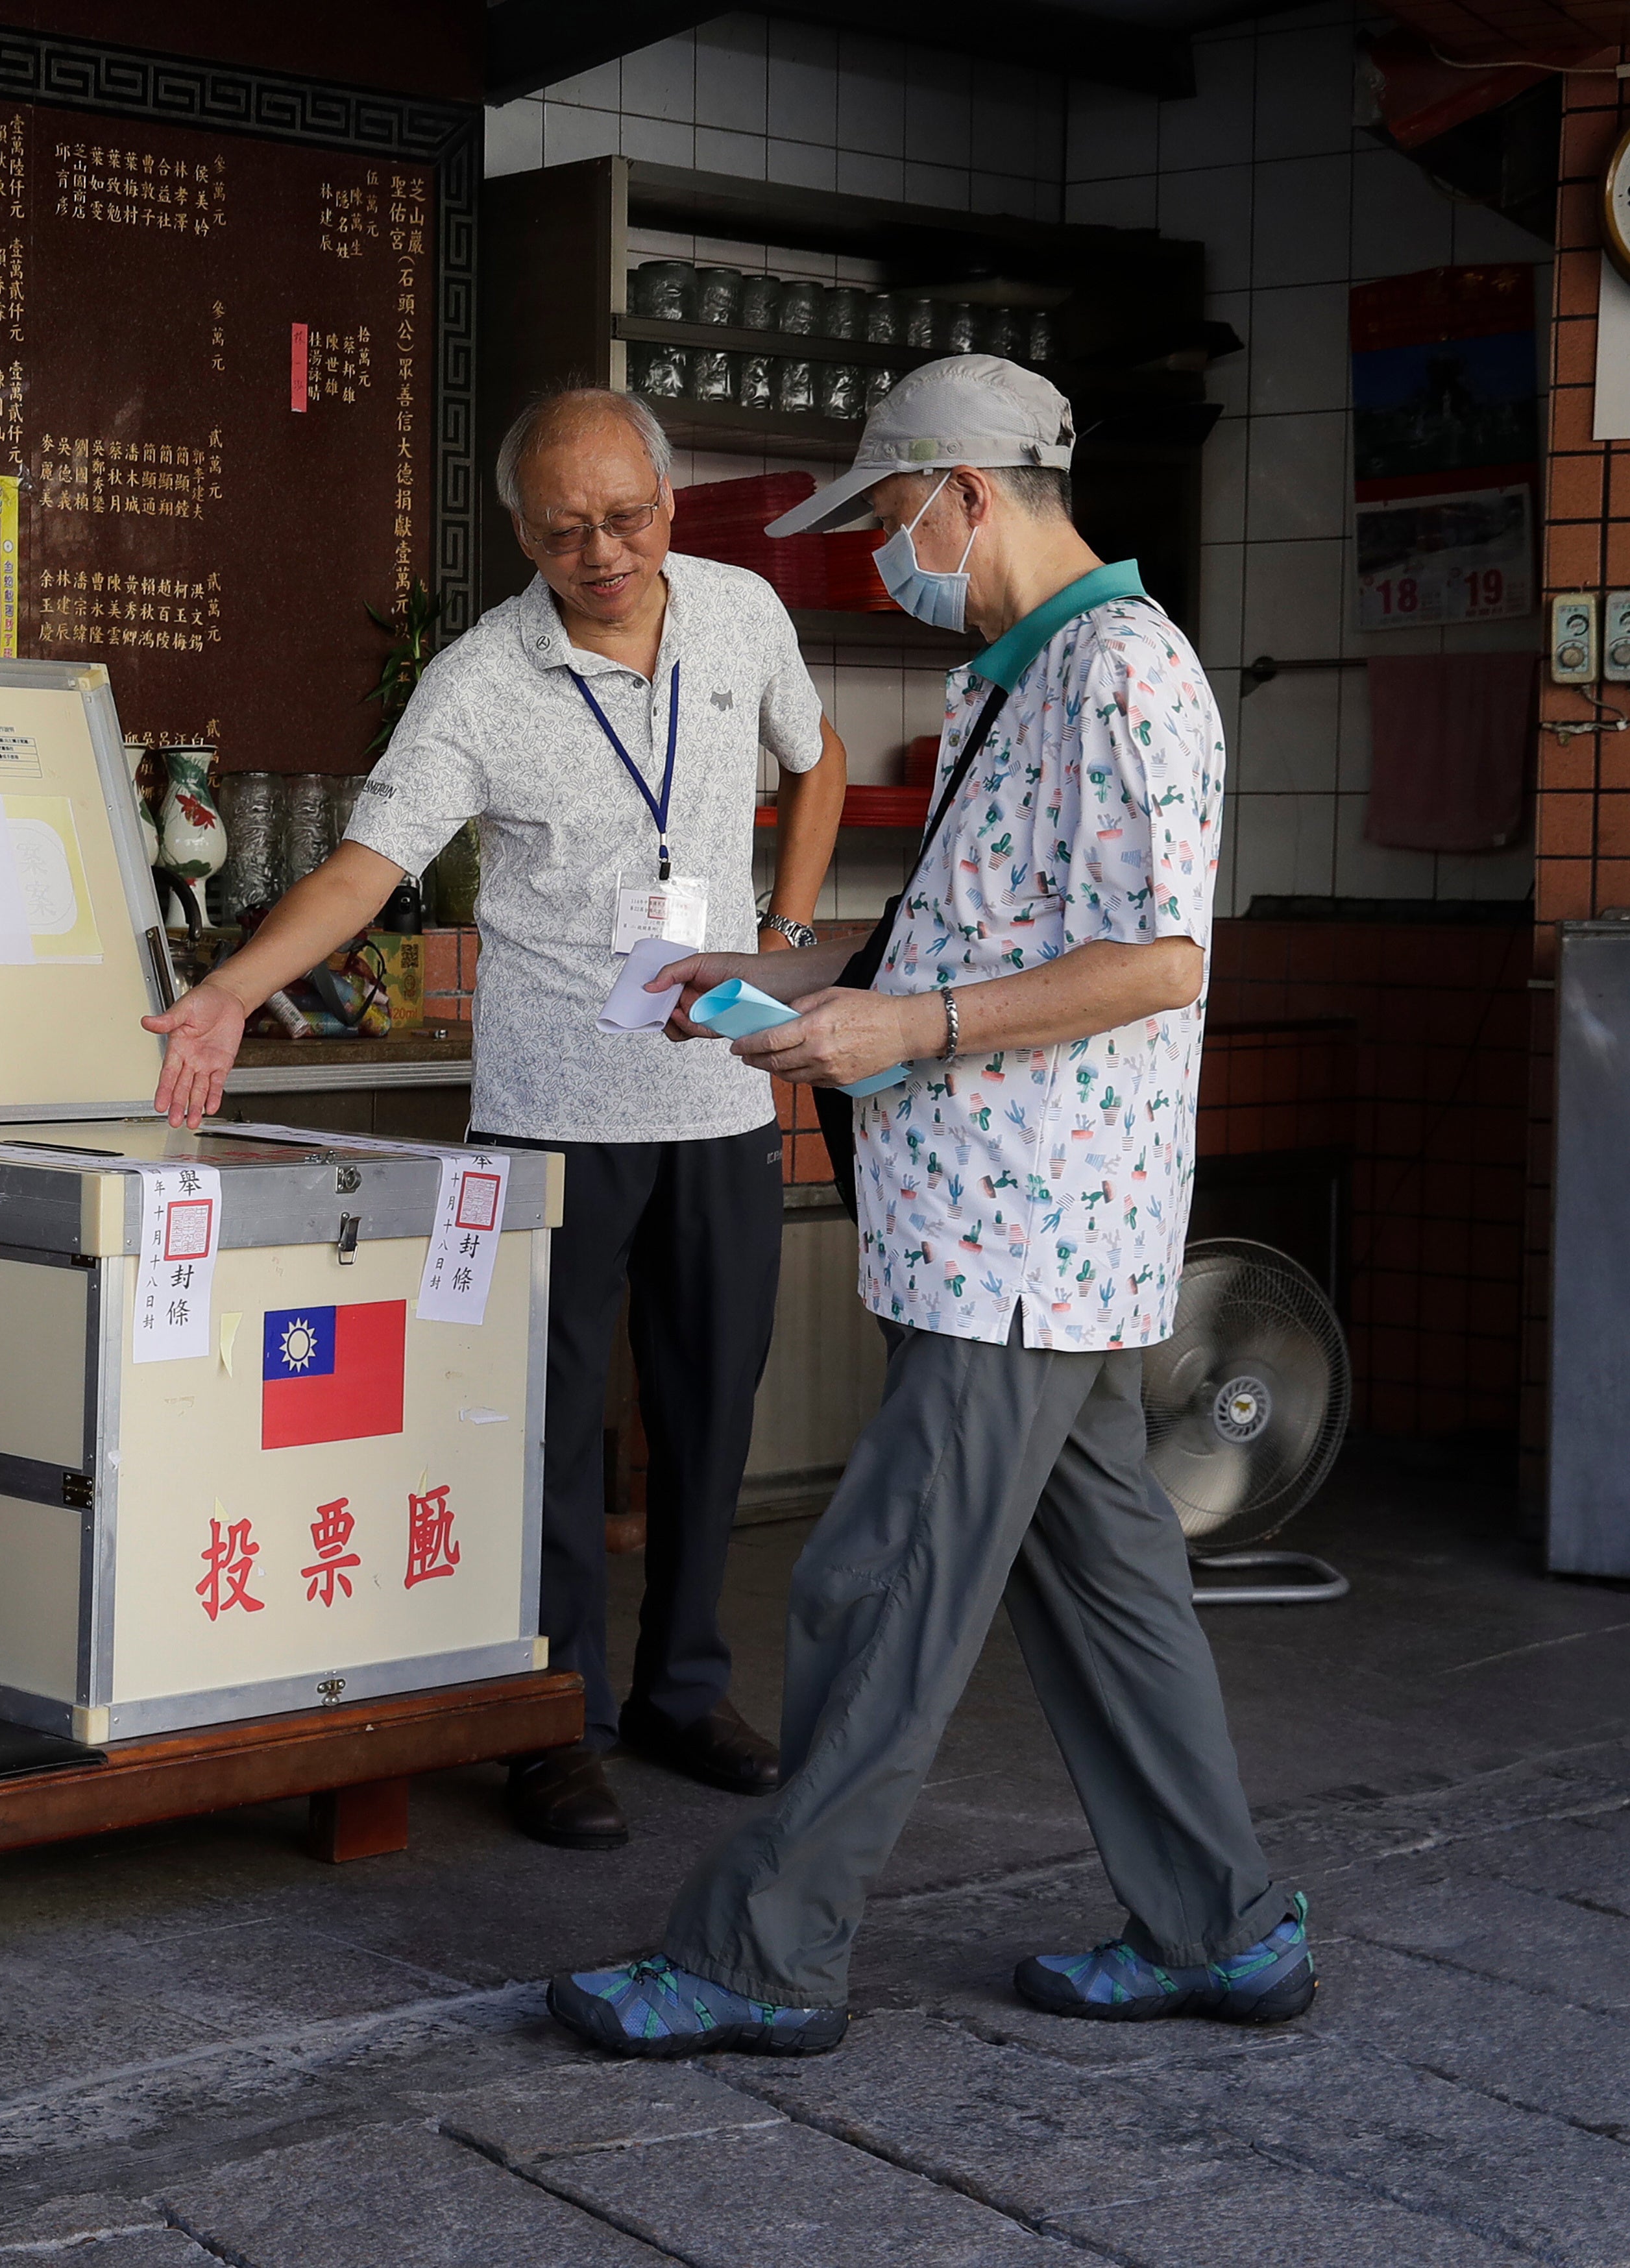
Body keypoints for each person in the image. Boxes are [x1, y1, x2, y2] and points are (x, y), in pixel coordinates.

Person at [551, 357, 1312, 2060]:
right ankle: (1222, 1928)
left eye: (893, 517)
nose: (885, 555)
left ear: (969, 492)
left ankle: (763, 1951)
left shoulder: (1124, 673)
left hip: (1025, 1243)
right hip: (1005, 1234)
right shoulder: (1016, 676)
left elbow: (1158, 959)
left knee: (877, 1585)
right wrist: (769, 982)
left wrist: (909, 1031)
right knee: (1110, 1593)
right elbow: (967, 934)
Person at [143, 386, 852, 1850]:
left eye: (629, 517)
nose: (604, 553)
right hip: (551, 1118)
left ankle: (683, 1689)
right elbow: (367, 866)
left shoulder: (739, 612)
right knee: (545, 1430)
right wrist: (227, 991)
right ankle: (552, 1719)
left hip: (721, 1094)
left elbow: (818, 754)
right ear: (521, 534)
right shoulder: (478, 680)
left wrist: (781, 935)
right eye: (566, 529)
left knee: (710, 1413)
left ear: (670, 503)